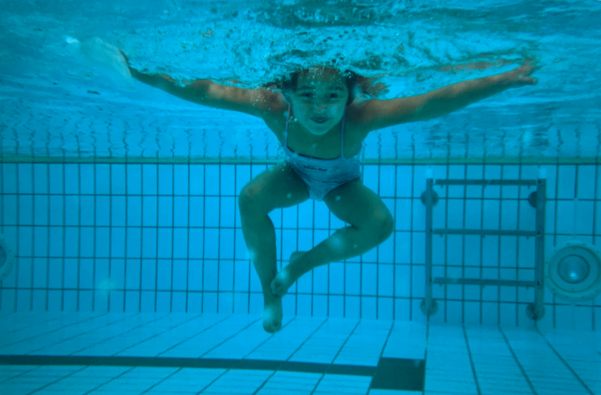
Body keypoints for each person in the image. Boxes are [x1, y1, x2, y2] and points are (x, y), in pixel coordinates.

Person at [122, 52, 536, 332]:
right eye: (307, 96)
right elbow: (207, 91)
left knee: (380, 224)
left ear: (349, 95)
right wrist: (145, 75)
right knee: (250, 198)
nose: (320, 108)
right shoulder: (271, 107)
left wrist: (504, 78)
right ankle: (271, 291)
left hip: (343, 184)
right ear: (287, 94)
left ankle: (301, 265)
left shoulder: (360, 118)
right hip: (295, 176)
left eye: (333, 96)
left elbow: (433, 103)